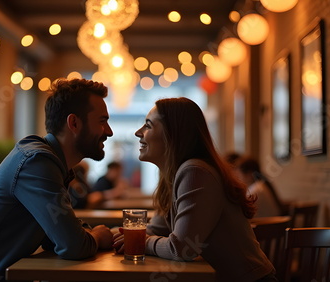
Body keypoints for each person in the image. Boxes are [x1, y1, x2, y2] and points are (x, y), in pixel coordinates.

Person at [0, 78, 114, 281]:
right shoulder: (38, 162)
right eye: (102, 121)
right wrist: (97, 236)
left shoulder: (49, 162)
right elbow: (73, 245)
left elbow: (59, 235)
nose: (109, 131)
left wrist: (84, 234)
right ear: (74, 123)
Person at [113, 97, 277, 282]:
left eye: (148, 125)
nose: (138, 132)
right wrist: (101, 237)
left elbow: (182, 248)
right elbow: (155, 229)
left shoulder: (195, 171)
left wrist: (142, 242)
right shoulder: (173, 175)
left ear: (173, 133)